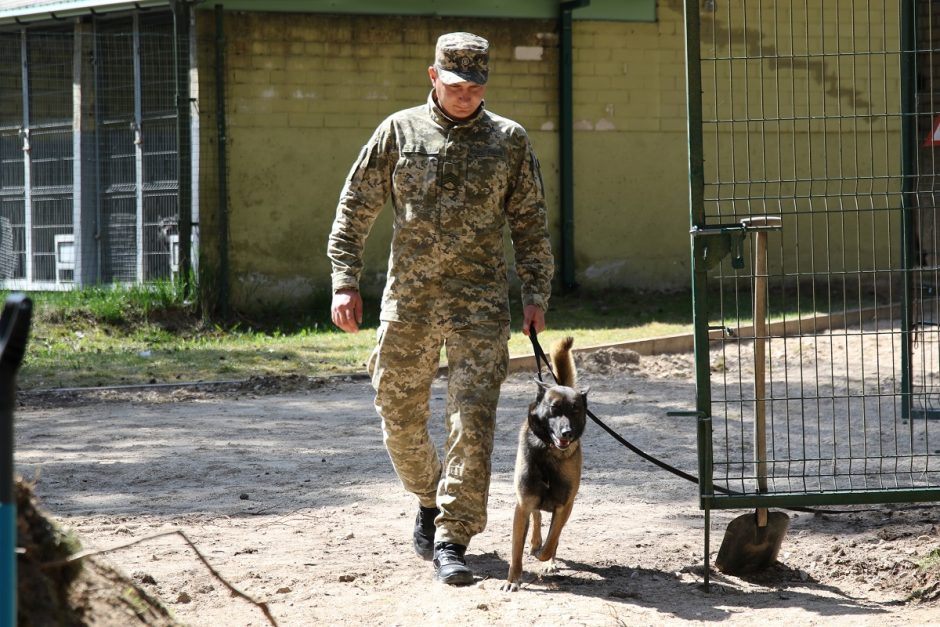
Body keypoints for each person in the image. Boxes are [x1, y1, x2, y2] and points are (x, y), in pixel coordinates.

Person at [327, 31, 554, 586]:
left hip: (479, 307)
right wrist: (343, 281)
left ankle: (454, 536)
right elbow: (355, 206)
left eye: (476, 86)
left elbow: (529, 223)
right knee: (397, 415)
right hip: (410, 304)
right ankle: (429, 498)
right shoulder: (399, 132)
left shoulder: (509, 141)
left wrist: (534, 293)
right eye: (456, 85)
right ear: (433, 77)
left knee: (471, 426)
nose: (466, 95)